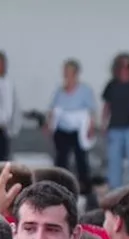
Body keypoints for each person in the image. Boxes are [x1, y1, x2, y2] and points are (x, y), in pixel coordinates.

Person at [48, 60, 97, 196]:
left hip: (78, 129)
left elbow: (91, 111)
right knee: (61, 159)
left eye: (69, 71)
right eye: (65, 71)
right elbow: (53, 109)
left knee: (81, 159)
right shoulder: (59, 90)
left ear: (75, 73)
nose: (66, 74)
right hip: (62, 129)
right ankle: (58, 187)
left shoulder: (85, 90)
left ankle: (85, 189)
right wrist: (49, 124)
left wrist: (91, 127)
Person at [102, 53, 129, 190]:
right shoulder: (112, 85)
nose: (125, 69)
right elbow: (107, 105)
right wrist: (104, 122)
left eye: (128, 66)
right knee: (114, 160)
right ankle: (115, 188)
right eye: (122, 66)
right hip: (115, 127)